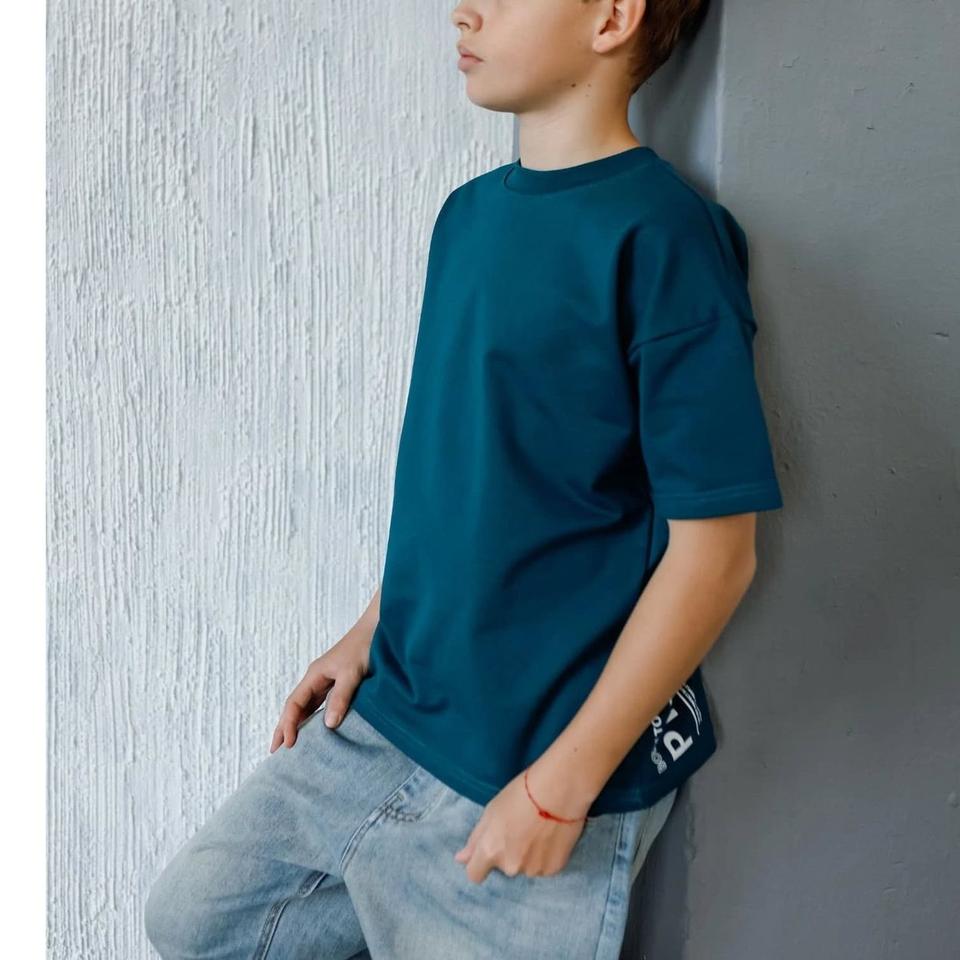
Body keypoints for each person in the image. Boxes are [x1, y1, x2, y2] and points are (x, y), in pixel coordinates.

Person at [144, 0, 785, 957]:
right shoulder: (468, 217)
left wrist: (561, 787)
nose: (465, 10)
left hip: (538, 758)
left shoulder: (664, 238)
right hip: (393, 715)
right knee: (198, 922)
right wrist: (373, 624)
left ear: (613, 18)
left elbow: (717, 555)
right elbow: (465, 471)